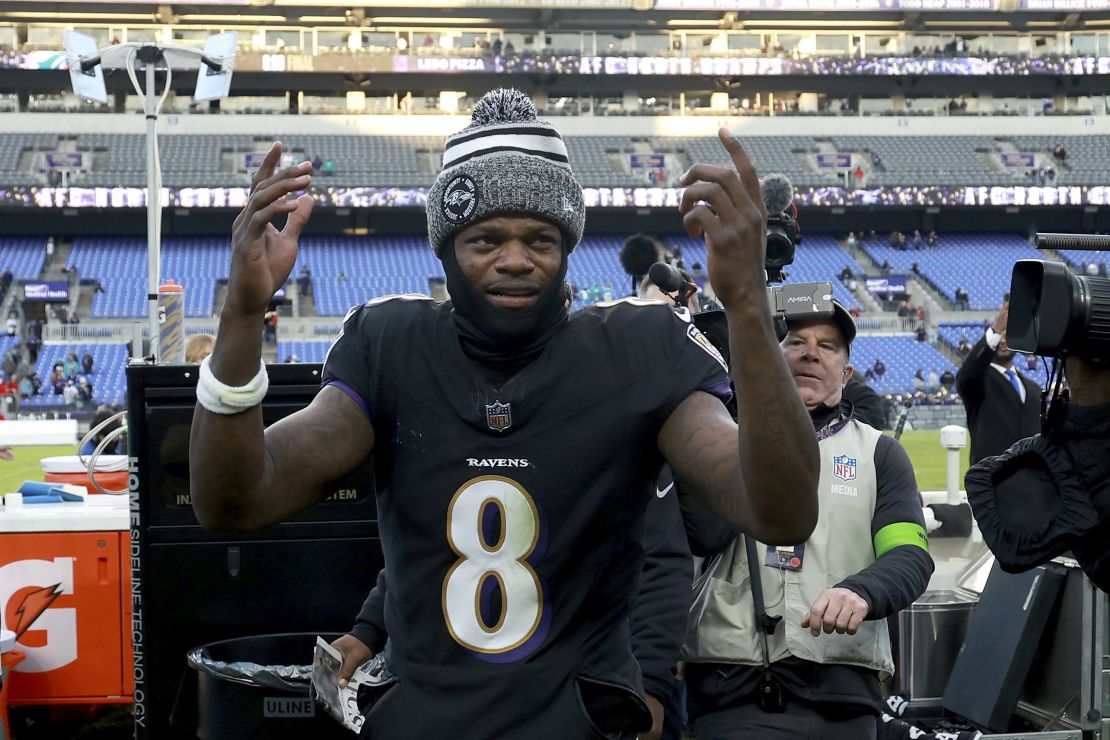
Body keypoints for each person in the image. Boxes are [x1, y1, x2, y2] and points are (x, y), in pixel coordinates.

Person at [189, 89, 820, 738]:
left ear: (570, 243)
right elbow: (235, 499)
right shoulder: (391, 346)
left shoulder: (640, 349)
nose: (515, 259)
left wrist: (745, 304)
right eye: (486, 238)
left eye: (540, 238)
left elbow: (782, 512)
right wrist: (240, 317)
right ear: (446, 245)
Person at [682, 302, 933, 740]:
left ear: (846, 374)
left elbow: (910, 555)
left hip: (843, 700)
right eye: (794, 341)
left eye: (828, 346)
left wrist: (861, 591)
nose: (811, 353)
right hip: (735, 696)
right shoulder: (718, 439)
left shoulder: (880, 454)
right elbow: (701, 534)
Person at [955, 301, 1042, 466]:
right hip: (992, 481)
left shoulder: (1034, 389)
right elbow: (967, 375)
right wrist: (995, 329)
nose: (1003, 340)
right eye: (999, 335)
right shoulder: (978, 381)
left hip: (1032, 481)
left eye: (1007, 334)